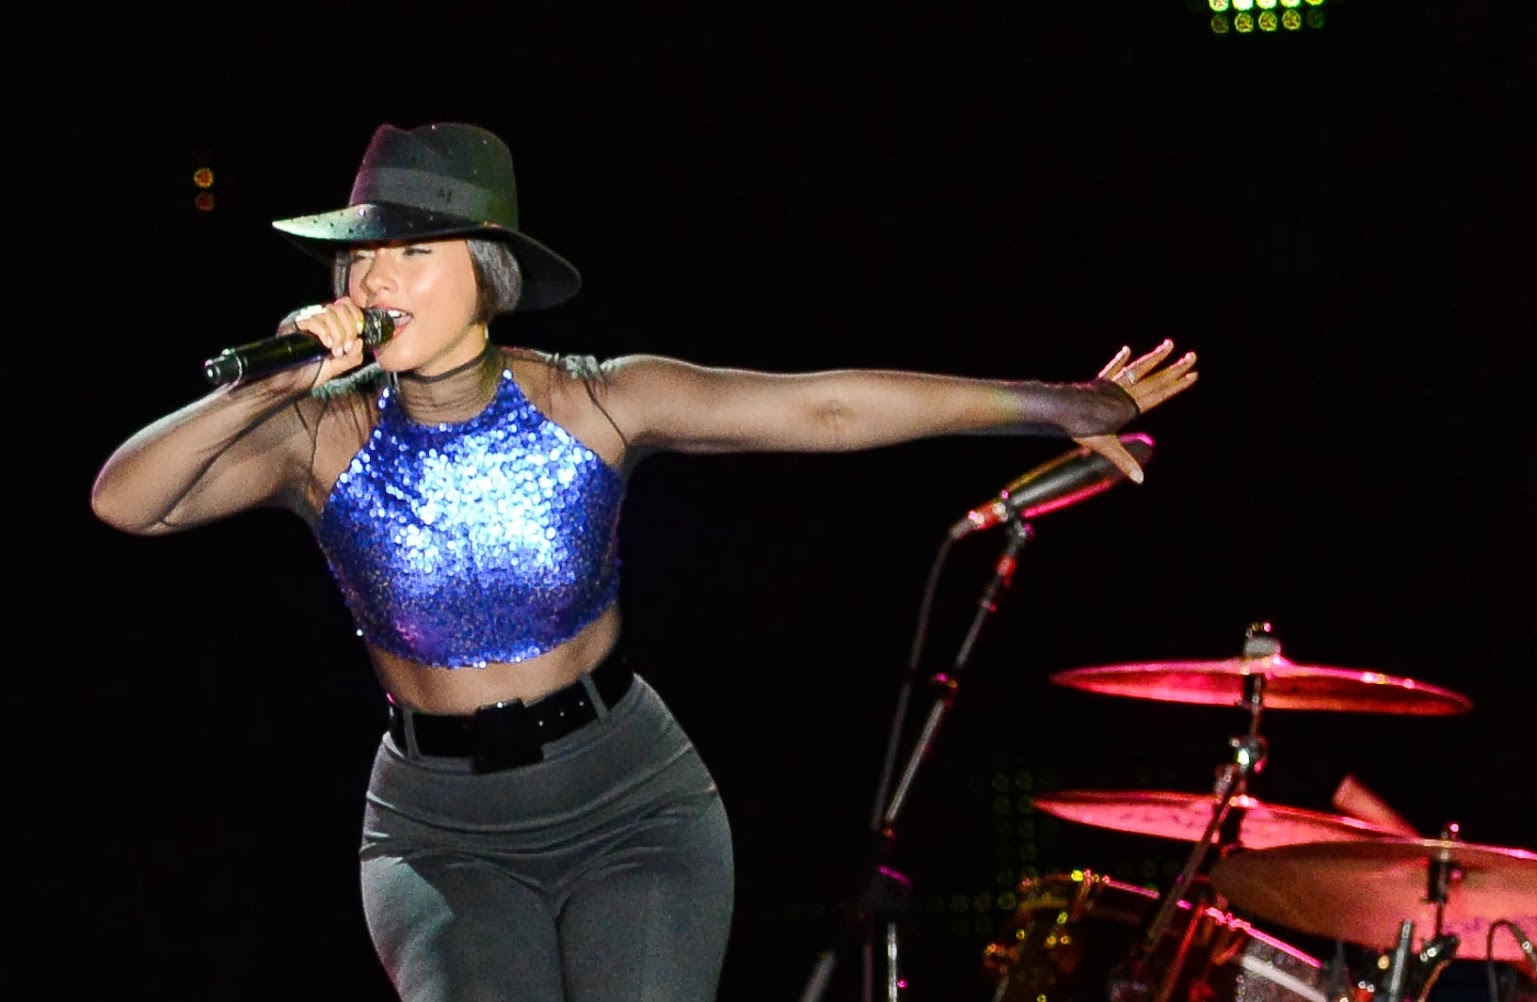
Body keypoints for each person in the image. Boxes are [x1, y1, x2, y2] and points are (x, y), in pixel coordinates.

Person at [89, 121, 1198, 1002]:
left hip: (629, 806)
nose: (377, 281)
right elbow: (125, 503)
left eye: (414, 251)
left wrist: (1059, 405)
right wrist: (273, 383)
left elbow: (825, 407)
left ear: (488, 271)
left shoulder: (593, 400)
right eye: (362, 256)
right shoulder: (316, 433)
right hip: (437, 836)